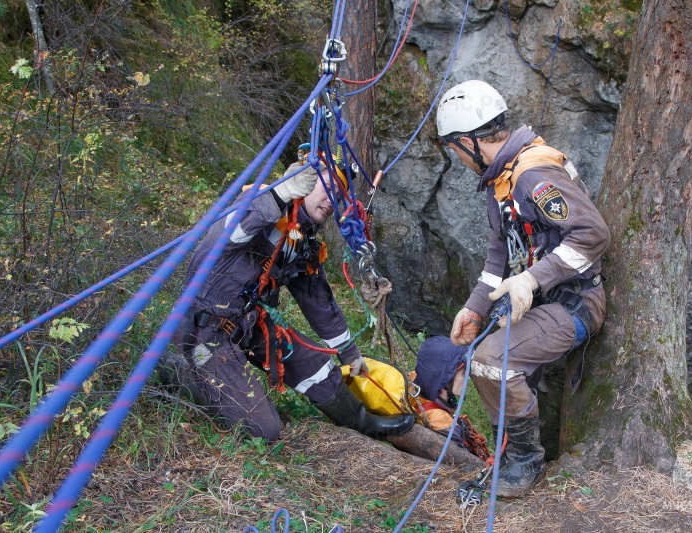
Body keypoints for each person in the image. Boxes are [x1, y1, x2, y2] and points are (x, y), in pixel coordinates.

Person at [436, 80, 610, 497]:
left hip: (575, 302)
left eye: (454, 150)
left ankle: (526, 461)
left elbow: (593, 233)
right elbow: (499, 256)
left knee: (491, 360)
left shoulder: (533, 174)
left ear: (467, 142)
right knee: (486, 361)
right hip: (540, 303)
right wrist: (475, 308)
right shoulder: (503, 182)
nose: (458, 160)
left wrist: (533, 278)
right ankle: (510, 453)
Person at [173, 156, 415, 441]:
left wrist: (350, 354)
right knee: (265, 430)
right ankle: (178, 371)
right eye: (328, 188)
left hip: (248, 327)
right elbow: (225, 236)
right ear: (306, 181)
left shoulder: (302, 239)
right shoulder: (259, 206)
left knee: (315, 364)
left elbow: (318, 303)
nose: (332, 199)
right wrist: (280, 193)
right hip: (203, 332)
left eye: (338, 195)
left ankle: (362, 422)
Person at [410, 336, 489, 460]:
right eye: (464, 373)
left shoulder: (415, 380)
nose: (468, 378)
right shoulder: (445, 427)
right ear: (445, 378)